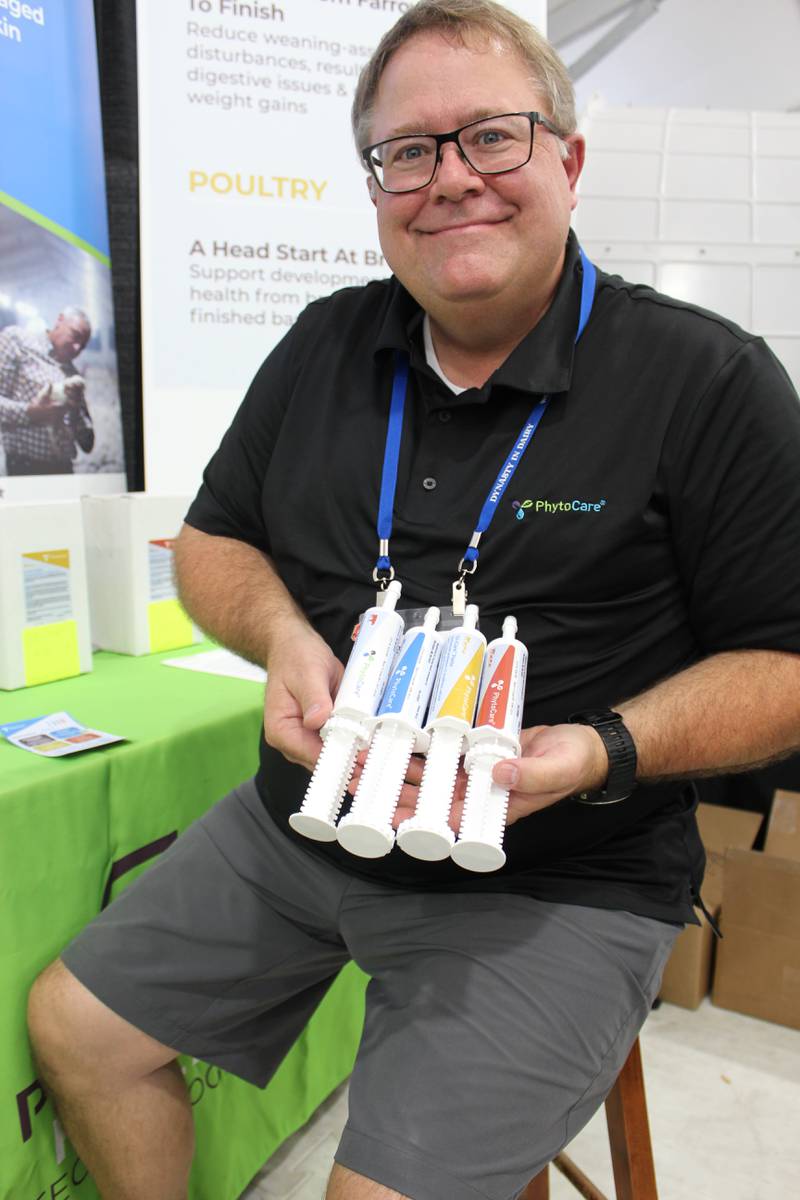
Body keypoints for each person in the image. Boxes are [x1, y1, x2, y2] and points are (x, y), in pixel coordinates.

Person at [27, 2, 800, 1197]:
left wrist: (599, 749)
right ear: (376, 181)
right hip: (306, 821)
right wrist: (281, 634)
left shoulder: (706, 379)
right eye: (407, 150)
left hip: (557, 869)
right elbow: (214, 542)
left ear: (567, 160)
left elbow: (786, 667)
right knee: (81, 1030)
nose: (449, 180)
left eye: (491, 136)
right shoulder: (326, 343)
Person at [0, 307, 94, 475]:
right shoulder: (18, 341)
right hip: (24, 467)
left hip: (64, 470)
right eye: (75, 335)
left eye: (83, 346)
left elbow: (87, 443)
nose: (77, 347)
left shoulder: (73, 375)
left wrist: (75, 408)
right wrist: (30, 413)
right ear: (59, 320)